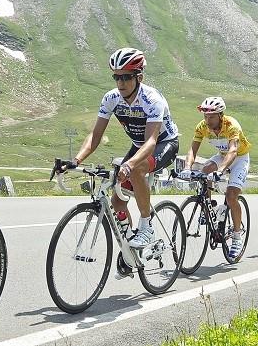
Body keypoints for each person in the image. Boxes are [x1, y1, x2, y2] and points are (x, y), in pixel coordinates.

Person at [63, 47, 180, 250]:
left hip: (164, 143)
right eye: (116, 77)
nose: (120, 83)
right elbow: (95, 135)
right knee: (117, 202)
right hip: (138, 146)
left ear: (139, 77)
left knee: (136, 170)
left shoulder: (152, 100)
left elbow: (151, 141)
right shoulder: (111, 99)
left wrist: (130, 165)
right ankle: (130, 252)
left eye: (126, 77)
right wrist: (76, 160)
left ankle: (146, 226)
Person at [179, 96, 251, 257]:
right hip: (222, 155)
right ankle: (208, 208)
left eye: (211, 117)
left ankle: (237, 237)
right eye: (205, 116)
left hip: (239, 158)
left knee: (231, 196)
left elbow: (233, 150)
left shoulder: (232, 125)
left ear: (220, 115)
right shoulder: (202, 127)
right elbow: (192, 150)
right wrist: (187, 167)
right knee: (204, 171)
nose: (207, 120)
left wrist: (221, 170)